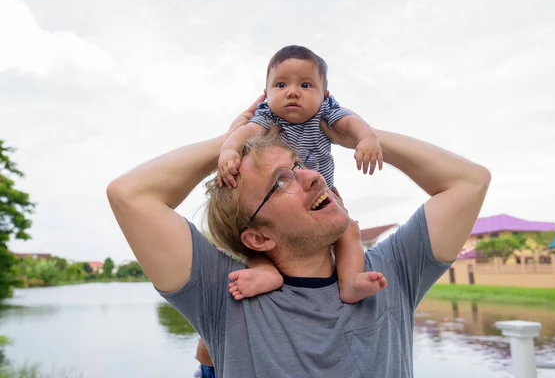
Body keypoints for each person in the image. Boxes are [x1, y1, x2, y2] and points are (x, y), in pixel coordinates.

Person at [107, 94, 491, 377]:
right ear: (257, 239)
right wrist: (229, 144)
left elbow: (469, 182)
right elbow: (130, 195)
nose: (311, 175)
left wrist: (359, 136)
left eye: (300, 163)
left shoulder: (387, 273)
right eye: (281, 181)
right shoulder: (229, 296)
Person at [218, 45, 385, 305]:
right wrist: (228, 149)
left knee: (349, 230)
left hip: (323, 192)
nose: (293, 92)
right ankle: (265, 272)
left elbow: (351, 122)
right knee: (254, 238)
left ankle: (350, 280)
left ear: (325, 95)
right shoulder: (268, 116)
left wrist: (367, 137)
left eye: (306, 85)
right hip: (288, 202)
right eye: (281, 85)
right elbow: (245, 131)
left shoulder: (326, 111)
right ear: (266, 94)